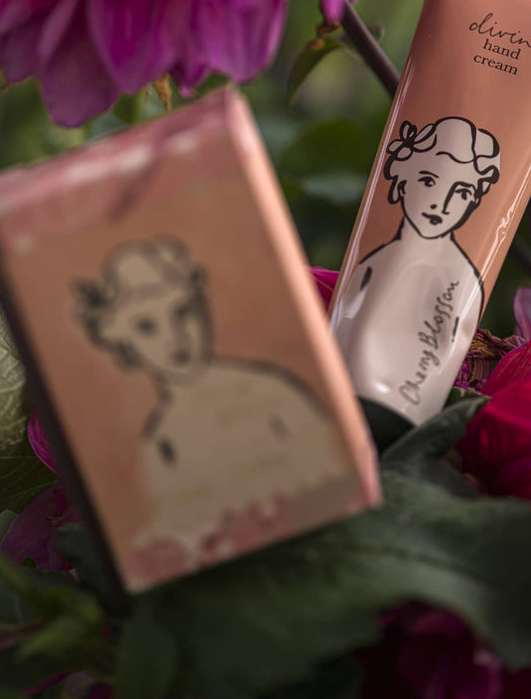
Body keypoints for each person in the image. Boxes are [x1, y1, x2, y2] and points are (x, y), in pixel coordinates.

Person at [75, 239, 350, 561]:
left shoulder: (271, 392)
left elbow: (335, 468)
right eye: (147, 327)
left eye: (182, 313)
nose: (174, 336)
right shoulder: (158, 441)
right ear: (124, 347)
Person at [332, 116, 500, 421]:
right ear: (400, 180)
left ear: (474, 201)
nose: (442, 203)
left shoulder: (465, 283)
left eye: (461, 192)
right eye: (429, 180)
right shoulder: (371, 264)